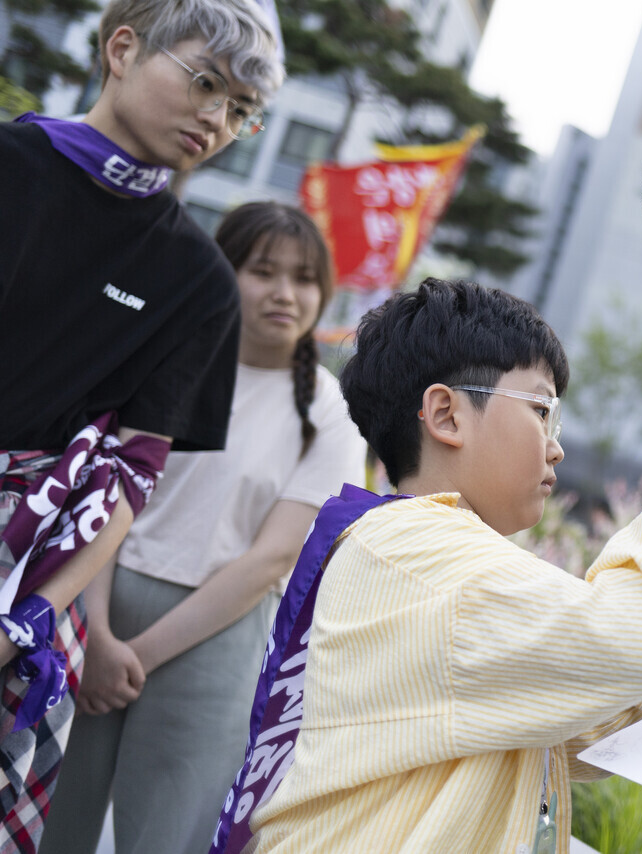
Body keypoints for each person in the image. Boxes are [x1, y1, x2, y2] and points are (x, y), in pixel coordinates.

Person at [207, 278, 642, 854]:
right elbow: (626, 636)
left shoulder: (401, 547)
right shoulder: (421, 553)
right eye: (541, 410)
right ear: (446, 414)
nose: (556, 447)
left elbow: (585, 728)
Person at [0, 1, 283, 849]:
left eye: (239, 110)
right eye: (205, 83)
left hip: (34, 573)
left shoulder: (198, 280)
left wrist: (32, 621)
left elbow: (130, 472)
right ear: (122, 48)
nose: (216, 120)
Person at [41, 203, 365, 854]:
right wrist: (100, 635)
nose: (284, 293)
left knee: (168, 834)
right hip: (91, 604)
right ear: (222, 272)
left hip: (215, 639)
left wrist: (137, 654)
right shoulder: (162, 365)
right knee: (53, 820)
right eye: (262, 271)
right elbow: (103, 497)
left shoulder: (330, 411)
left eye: (303, 279)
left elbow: (271, 559)